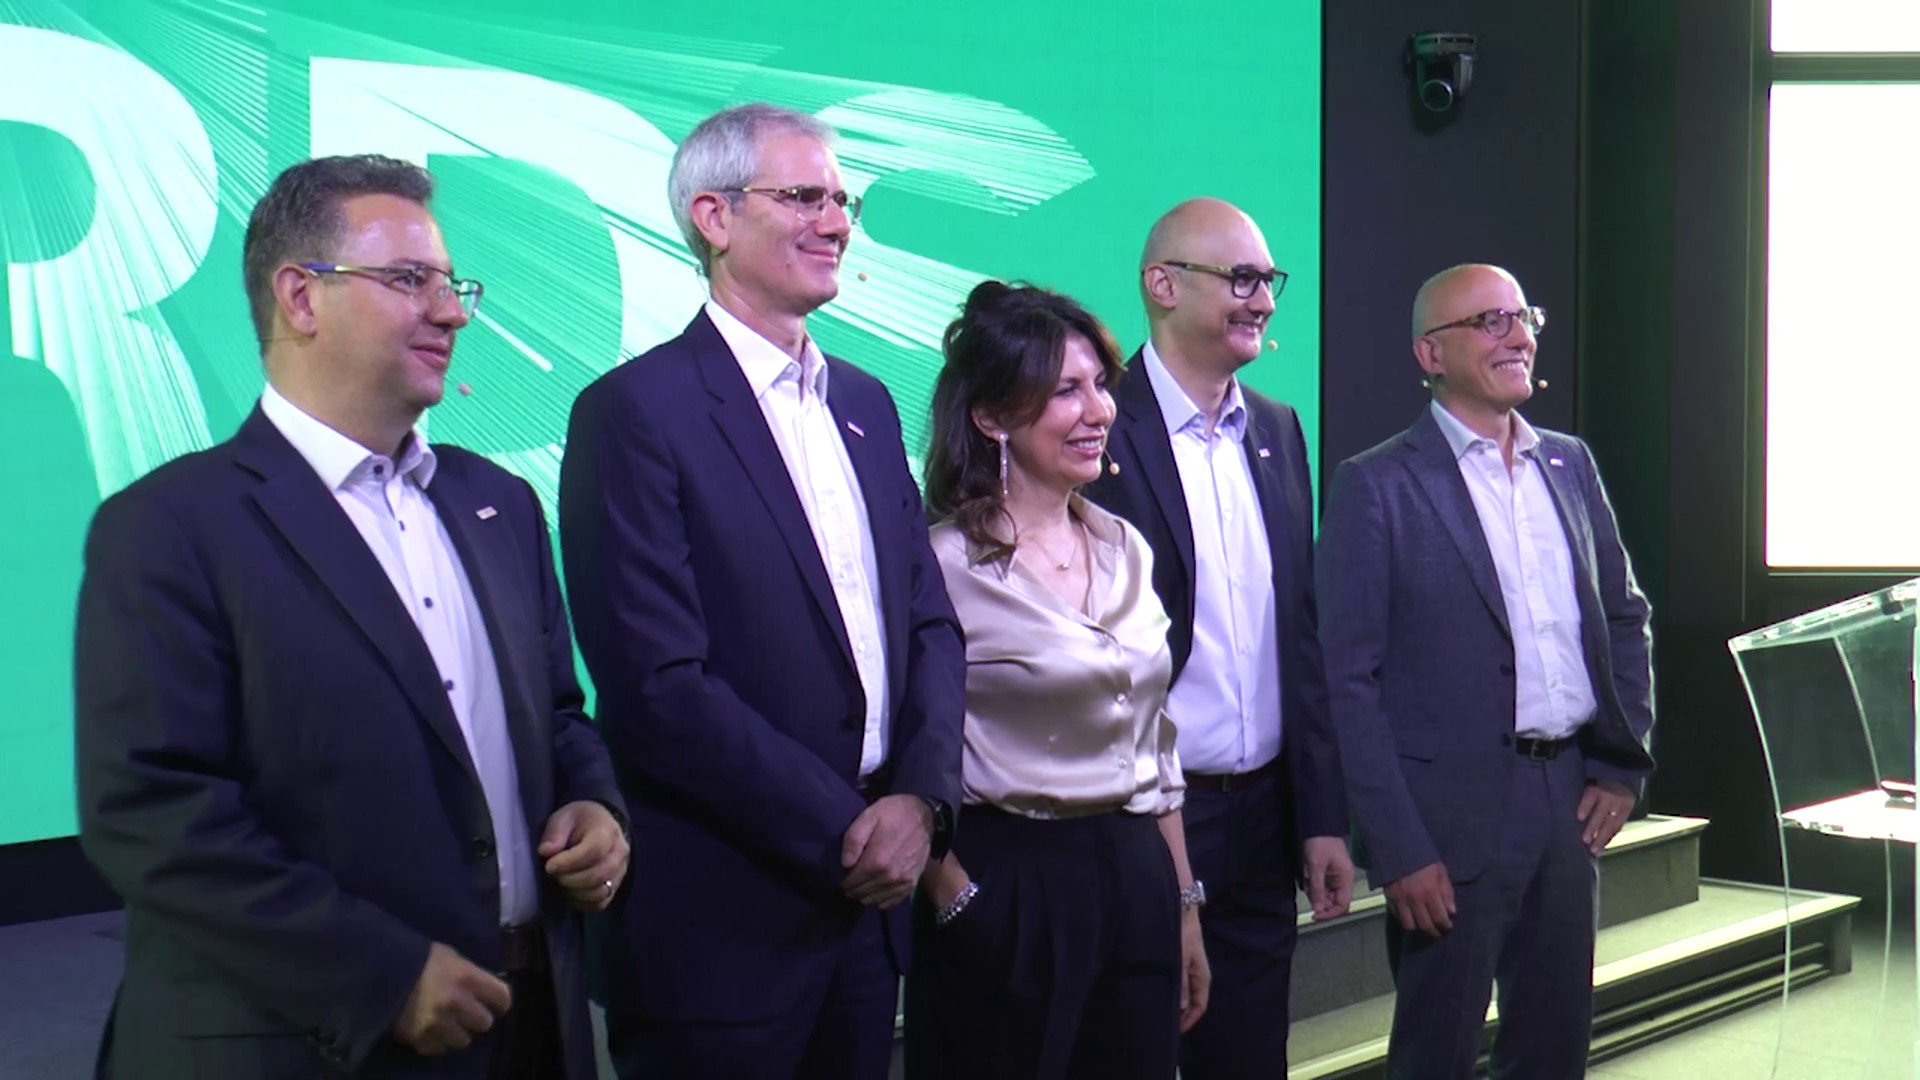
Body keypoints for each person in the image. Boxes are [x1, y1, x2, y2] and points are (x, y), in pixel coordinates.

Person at [74, 154, 629, 1080]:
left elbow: (560, 718)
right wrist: (380, 976)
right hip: (307, 1045)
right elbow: (153, 813)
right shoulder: (169, 526)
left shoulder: (498, 505)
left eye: (452, 284)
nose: (452, 312)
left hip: (530, 1023)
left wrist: (596, 806)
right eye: (411, 280)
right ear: (301, 296)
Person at [558, 103, 966, 1080]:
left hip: (869, 917)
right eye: (804, 197)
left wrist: (920, 801)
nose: (837, 222)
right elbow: (657, 686)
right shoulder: (633, 412)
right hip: (721, 928)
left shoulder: (865, 403)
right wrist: (848, 830)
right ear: (713, 216)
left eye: (843, 201)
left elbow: (928, 623)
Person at [1316, 263, 1655, 1078]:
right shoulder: (1377, 484)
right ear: (1431, 354)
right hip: (1446, 823)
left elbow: (1624, 617)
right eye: (1490, 321)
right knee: (1435, 1054)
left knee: (1553, 1048)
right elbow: (1348, 682)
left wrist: (1621, 768)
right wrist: (1397, 849)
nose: (1518, 336)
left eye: (1523, 316)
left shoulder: (1569, 464)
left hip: (1566, 802)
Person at [905, 280, 1209, 1079]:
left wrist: (1183, 904)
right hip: (1011, 884)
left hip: (1137, 876)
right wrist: (953, 895)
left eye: (1100, 385)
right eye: (1065, 390)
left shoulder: (1125, 548)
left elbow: (1156, 749)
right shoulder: (941, 565)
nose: (1098, 410)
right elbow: (905, 750)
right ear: (992, 416)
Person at [1084, 197, 1353, 1076]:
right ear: (1163, 285)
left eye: (1269, 281)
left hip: (1263, 819)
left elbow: (1299, 637)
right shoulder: (1093, 424)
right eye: (1241, 279)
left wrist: (1321, 816)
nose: (1263, 301)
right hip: (1139, 819)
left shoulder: (1277, 428)